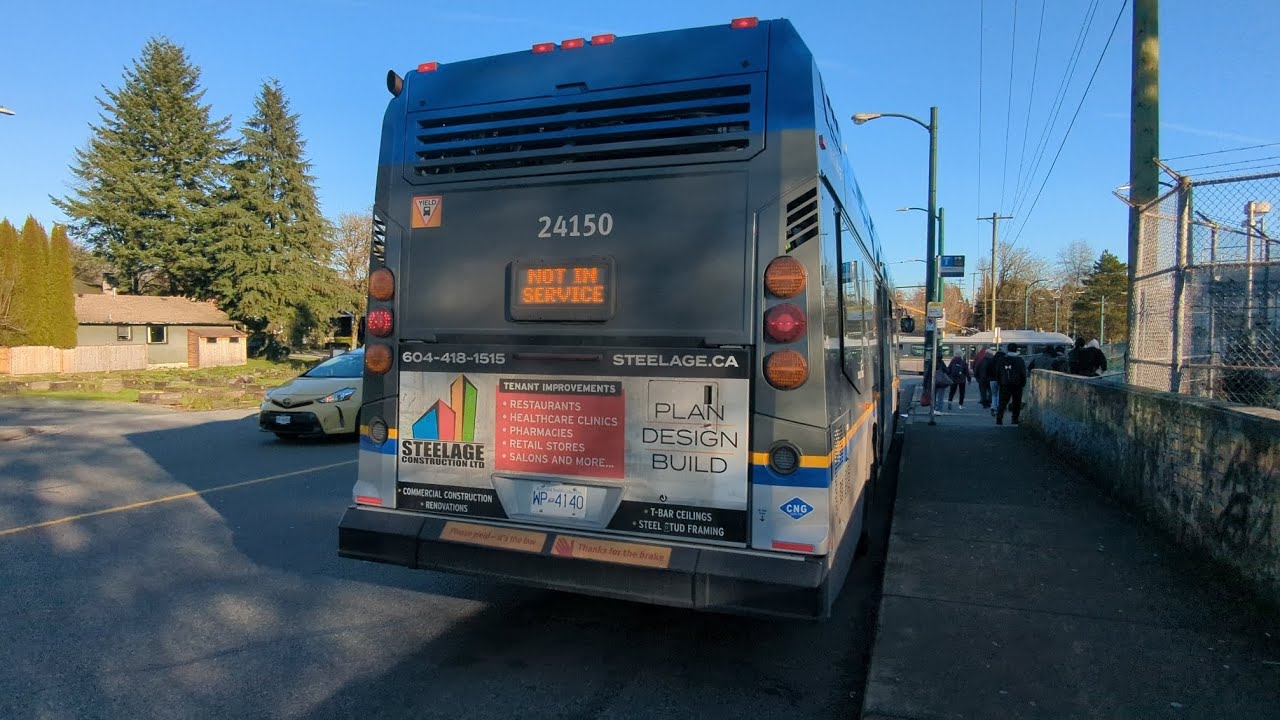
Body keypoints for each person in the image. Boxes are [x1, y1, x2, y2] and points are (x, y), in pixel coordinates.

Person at [995, 342, 1028, 425]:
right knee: (1016, 402)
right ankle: (1014, 419)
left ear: (1008, 349)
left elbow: (998, 372)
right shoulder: (1019, 360)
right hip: (1017, 385)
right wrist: (1023, 383)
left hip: (1004, 384)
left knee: (1002, 402)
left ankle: (999, 418)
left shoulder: (1002, 359)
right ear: (1016, 349)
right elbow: (1023, 373)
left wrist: (1000, 382)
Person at [972, 346, 994, 410]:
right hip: (990, 379)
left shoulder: (981, 360)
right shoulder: (993, 361)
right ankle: (991, 401)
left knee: (983, 392)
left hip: (982, 379)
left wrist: (977, 378)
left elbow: (976, 369)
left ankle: (985, 404)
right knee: (991, 391)